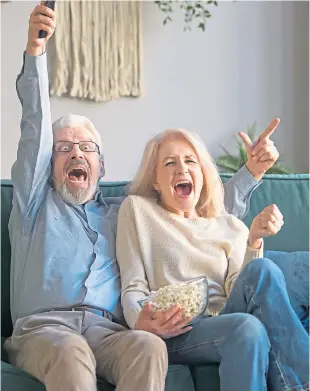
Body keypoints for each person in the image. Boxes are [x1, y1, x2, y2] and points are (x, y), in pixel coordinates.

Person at [3, 4, 281, 391]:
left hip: (107, 332)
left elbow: (199, 216)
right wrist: (36, 53)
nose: (76, 154)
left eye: (86, 148)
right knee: (71, 351)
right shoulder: (33, 204)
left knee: (149, 347)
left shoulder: (126, 215)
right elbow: (34, 127)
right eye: (64, 149)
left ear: (101, 165)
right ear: (49, 166)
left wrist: (251, 173)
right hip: (44, 331)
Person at [116, 128, 309, 391]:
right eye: (170, 162)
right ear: (156, 181)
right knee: (247, 327)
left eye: (190, 161)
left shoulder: (231, 226)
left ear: (203, 175)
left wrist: (254, 240)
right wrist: (141, 322)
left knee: (262, 272)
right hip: (177, 327)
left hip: (225, 316)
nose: (181, 169)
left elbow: (239, 288)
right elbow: (132, 285)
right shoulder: (138, 211)